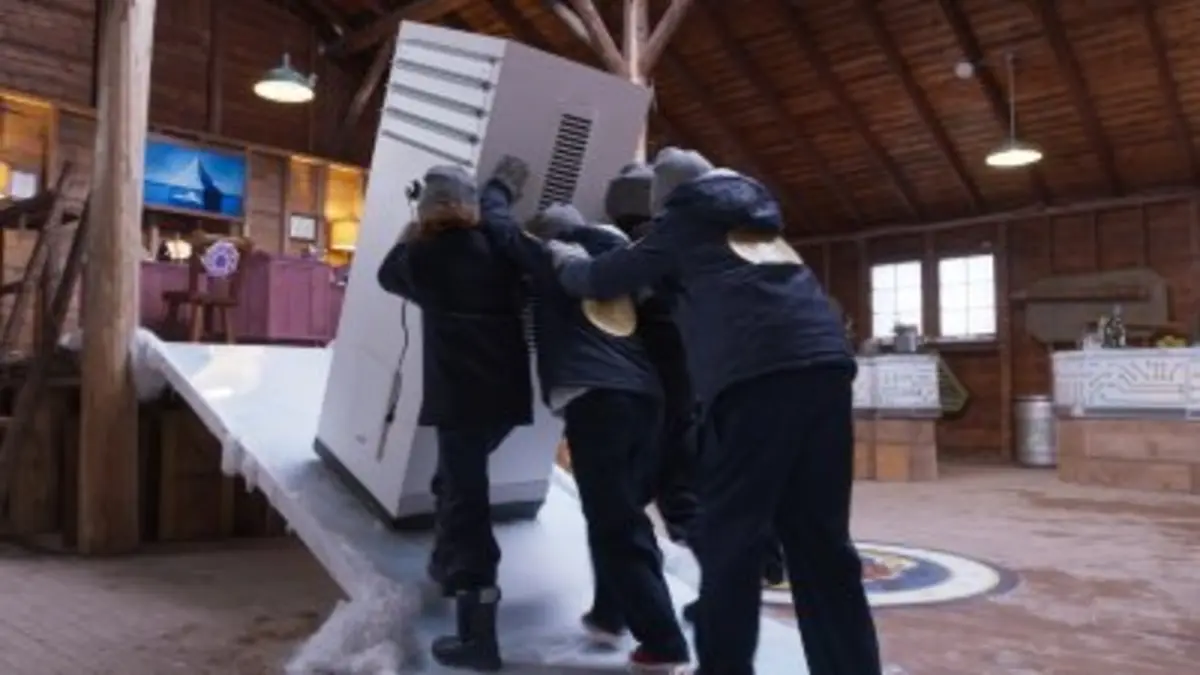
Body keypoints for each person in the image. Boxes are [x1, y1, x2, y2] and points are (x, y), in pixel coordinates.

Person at [549, 147, 882, 675]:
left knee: (731, 539)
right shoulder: (756, 225)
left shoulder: (684, 221)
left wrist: (563, 255)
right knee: (821, 544)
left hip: (755, 380)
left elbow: (597, 281)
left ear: (667, 201)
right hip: (826, 372)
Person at [478, 159, 691, 671]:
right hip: (646, 398)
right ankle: (610, 613)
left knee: (616, 522)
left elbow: (500, 231)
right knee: (617, 513)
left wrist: (499, 188)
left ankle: (662, 641)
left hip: (598, 401)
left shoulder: (553, 255)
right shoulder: (622, 256)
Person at [604, 163, 786, 628]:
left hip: (662, 389)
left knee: (662, 499)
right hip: (706, 379)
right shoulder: (704, 235)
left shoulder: (645, 249)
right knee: (705, 482)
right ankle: (762, 555)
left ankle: (706, 594)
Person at [376, 163, 533, 672]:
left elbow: (386, 273)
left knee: (467, 505)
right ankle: (446, 566)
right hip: (505, 398)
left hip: (461, 400)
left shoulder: (423, 256)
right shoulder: (499, 248)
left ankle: (478, 638)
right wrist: (500, 191)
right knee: (453, 482)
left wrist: (409, 233)